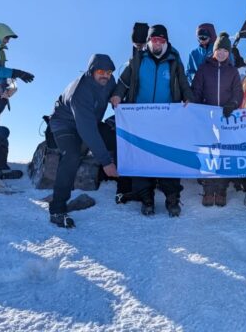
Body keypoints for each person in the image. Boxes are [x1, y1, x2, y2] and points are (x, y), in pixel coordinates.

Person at [110, 24, 193, 217]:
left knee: (168, 159)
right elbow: (124, 81)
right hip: (141, 121)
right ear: (149, 41)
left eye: (161, 40)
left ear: (166, 42)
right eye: (154, 39)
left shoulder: (174, 59)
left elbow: (183, 83)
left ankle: (172, 199)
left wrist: (189, 98)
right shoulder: (138, 59)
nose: (158, 43)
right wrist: (117, 95)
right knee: (142, 159)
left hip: (166, 120)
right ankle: (146, 199)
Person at [48, 54, 119, 228]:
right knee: (72, 155)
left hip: (89, 121)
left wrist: (118, 97)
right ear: (91, 71)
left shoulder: (109, 81)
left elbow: (117, 92)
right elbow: (87, 131)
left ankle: (122, 187)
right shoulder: (80, 91)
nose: (105, 75)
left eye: (109, 72)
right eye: (101, 71)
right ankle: (57, 209)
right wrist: (105, 162)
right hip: (64, 124)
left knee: (115, 136)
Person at [192, 32, 244, 206]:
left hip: (225, 119)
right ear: (214, 51)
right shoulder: (204, 68)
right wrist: (198, 109)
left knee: (223, 155)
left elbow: (238, 92)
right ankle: (208, 190)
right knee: (207, 154)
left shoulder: (233, 71)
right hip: (207, 118)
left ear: (229, 53)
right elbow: (196, 90)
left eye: (225, 50)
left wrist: (233, 104)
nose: (221, 53)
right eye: (219, 49)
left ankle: (220, 190)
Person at [110, 22, 149, 204]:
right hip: (132, 113)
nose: (139, 47)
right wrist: (117, 95)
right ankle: (124, 189)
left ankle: (144, 191)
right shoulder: (132, 61)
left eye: (142, 43)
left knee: (147, 151)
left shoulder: (154, 57)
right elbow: (124, 82)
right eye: (136, 43)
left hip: (151, 113)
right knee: (127, 150)